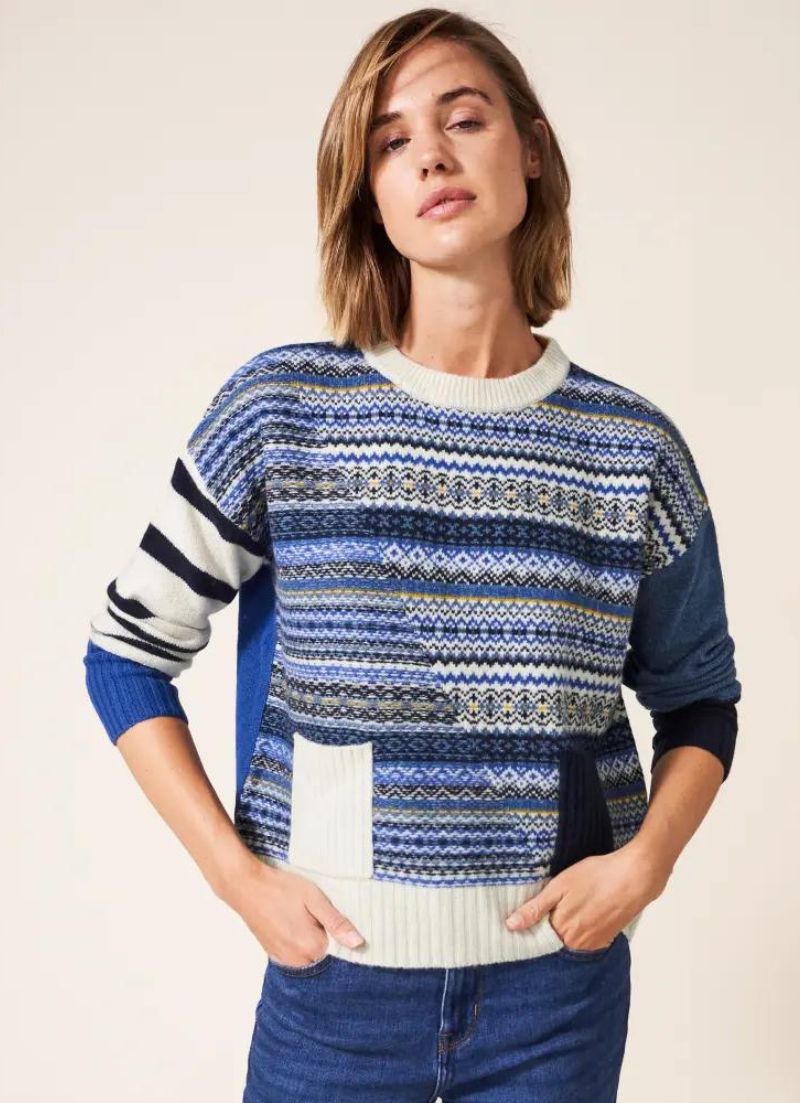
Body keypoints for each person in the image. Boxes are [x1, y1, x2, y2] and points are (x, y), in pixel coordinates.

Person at [83, 9, 742, 1102]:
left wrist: (646, 862)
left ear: (530, 149)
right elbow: (125, 652)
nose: (430, 154)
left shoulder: (631, 448)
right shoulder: (282, 410)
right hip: (336, 994)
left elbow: (701, 697)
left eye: (463, 119)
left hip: (556, 999)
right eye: (391, 141)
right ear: (370, 196)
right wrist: (235, 878)